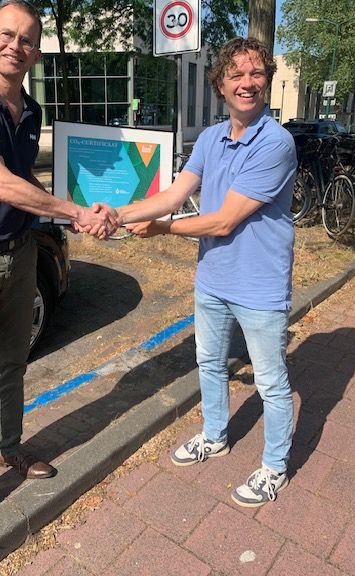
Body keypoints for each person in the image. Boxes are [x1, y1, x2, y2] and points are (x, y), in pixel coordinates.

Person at [0, 0, 116, 549]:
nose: (16, 46)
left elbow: (24, 182)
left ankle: (8, 447)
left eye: (27, 39)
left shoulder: (30, 111)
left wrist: (79, 213)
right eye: (7, 35)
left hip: (19, 256)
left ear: (36, 52)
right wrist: (76, 211)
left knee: (13, 364)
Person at [100, 37, 297, 507]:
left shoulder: (275, 143)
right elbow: (173, 194)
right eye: (236, 75)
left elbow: (224, 220)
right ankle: (215, 435)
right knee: (208, 362)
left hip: (259, 286)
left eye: (256, 73)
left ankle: (274, 467)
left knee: (271, 383)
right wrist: (118, 215)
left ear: (267, 80)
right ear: (220, 85)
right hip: (213, 278)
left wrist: (163, 228)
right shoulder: (210, 139)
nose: (247, 83)